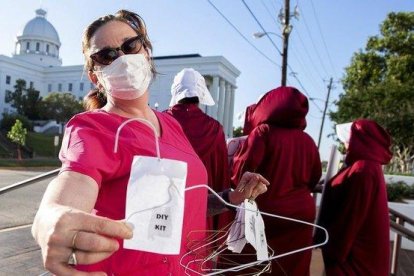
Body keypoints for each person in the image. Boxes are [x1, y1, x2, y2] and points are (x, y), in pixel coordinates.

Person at [31, 10, 269, 276]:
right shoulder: (91, 127)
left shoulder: (172, 125)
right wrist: (50, 217)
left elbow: (184, 201)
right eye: (106, 55)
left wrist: (233, 197)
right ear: (95, 76)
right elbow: (72, 184)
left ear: (146, 51)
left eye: (130, 46)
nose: (122, 58)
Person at [230, 86, 322, 275]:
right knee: (292, 267)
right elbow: (315, 177)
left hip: (268, 213)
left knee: (251, 266)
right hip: (301, 216)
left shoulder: (263, 131)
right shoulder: (308, 140)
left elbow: (242, 172)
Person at [316, 119, 392, 276]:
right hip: (360, 253)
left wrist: (334, 250)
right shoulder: (365, 165)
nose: (345, 145)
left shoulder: (363, 169)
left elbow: (351, 216)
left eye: (348, 140)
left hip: (355, 257)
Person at [165, 68, 231, 229]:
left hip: (164, 210)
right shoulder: (215, 129)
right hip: (201, 210)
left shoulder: (161, 121)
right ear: (200, 94)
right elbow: (220, 178)